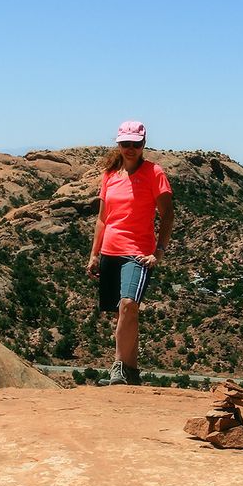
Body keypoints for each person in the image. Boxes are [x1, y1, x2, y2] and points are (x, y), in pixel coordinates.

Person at [86, 121, 174, 385]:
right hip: (110, 251)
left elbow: (168, 215)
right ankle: (131, 372)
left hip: (137, 253)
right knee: (121, 313)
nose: (130, 149)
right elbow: (102, 219)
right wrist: (94, 254)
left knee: (129, 305)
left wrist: (159, 252)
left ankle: (119, 367)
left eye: (136, 144)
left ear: (144, 144)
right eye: (126, 144)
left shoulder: (154, 173)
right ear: (119, 144)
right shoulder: (110, 175)